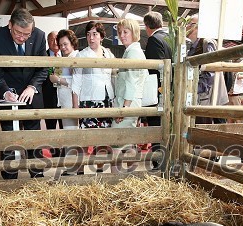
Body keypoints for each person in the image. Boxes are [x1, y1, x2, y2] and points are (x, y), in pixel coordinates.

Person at [0, 8, 48, 179]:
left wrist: (32, 87)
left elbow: (43, 68)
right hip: (8, 94)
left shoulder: (39, 36)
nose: (22, 38)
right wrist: (5, 92)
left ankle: (37, 174)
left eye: (27, 34)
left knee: (33, 136)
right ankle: (9, 176)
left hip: (31, 94)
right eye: (18, 33)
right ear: (9, 25)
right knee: (8, 135)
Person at [71, 21, 115, 174]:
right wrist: (75, 109)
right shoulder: (81, 55)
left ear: (102, 36)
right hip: (88, 102)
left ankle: (100, 170)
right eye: (88, 34)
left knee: (103, 139)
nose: (91, 38)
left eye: (95, 34)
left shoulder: (108, 54)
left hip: (107, 101)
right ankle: (80, 170)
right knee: (85, 138)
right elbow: (75, 83)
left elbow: (113, 76)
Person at [112, 18, 148, 173]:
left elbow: (132, 82)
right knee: (127, 142)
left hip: (127, 102)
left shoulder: (133, 52)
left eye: (125, 32)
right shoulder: (132, 51)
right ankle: (129, 178)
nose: (122, 35)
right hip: (130, 101)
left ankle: (115, 181)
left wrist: (124, 108)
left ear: (134, 33)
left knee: (116, 143)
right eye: (120, 32)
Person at [47, 29, 81, 176]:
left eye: (65, 44)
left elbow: (76, 82)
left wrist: (58, 80)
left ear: (72, 43)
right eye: (60, 44)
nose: (63, 47)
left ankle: (74, 169)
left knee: (72, 135)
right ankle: (74, 168)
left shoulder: (75, 57)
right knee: (69, 134)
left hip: (71, 101)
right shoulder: (63, 58)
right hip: (64, 100)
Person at [186, 14, 229, 125]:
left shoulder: (207, 43)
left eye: (190, 24)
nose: (187, 27)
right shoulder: (191, 46)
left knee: (214, 124)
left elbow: (210, 71)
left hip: (208, 94)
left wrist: (197, 88)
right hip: (201, 96)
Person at [143, 11, 173, 170]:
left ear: (147, 26)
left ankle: (158, 163)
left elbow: (154, 70)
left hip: (159, 93)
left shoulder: (154, 39)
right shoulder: (170, 38)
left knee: (157, 129)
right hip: (171, 92)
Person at [42, 31, 63, 159]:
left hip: (63, 95)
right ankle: (54, 150)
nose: (54, 42)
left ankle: (65, 148)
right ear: (47, 41)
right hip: (48, 95)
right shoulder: (42, 56)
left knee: (64, 123)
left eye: (57, 39)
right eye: (51, 40)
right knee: (50, 124)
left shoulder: (66, 55)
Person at [228, 59, 243, 123]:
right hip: (229, 96)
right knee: (230, 119)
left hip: (239, 96)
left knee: (239, 119)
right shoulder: (231, 66)